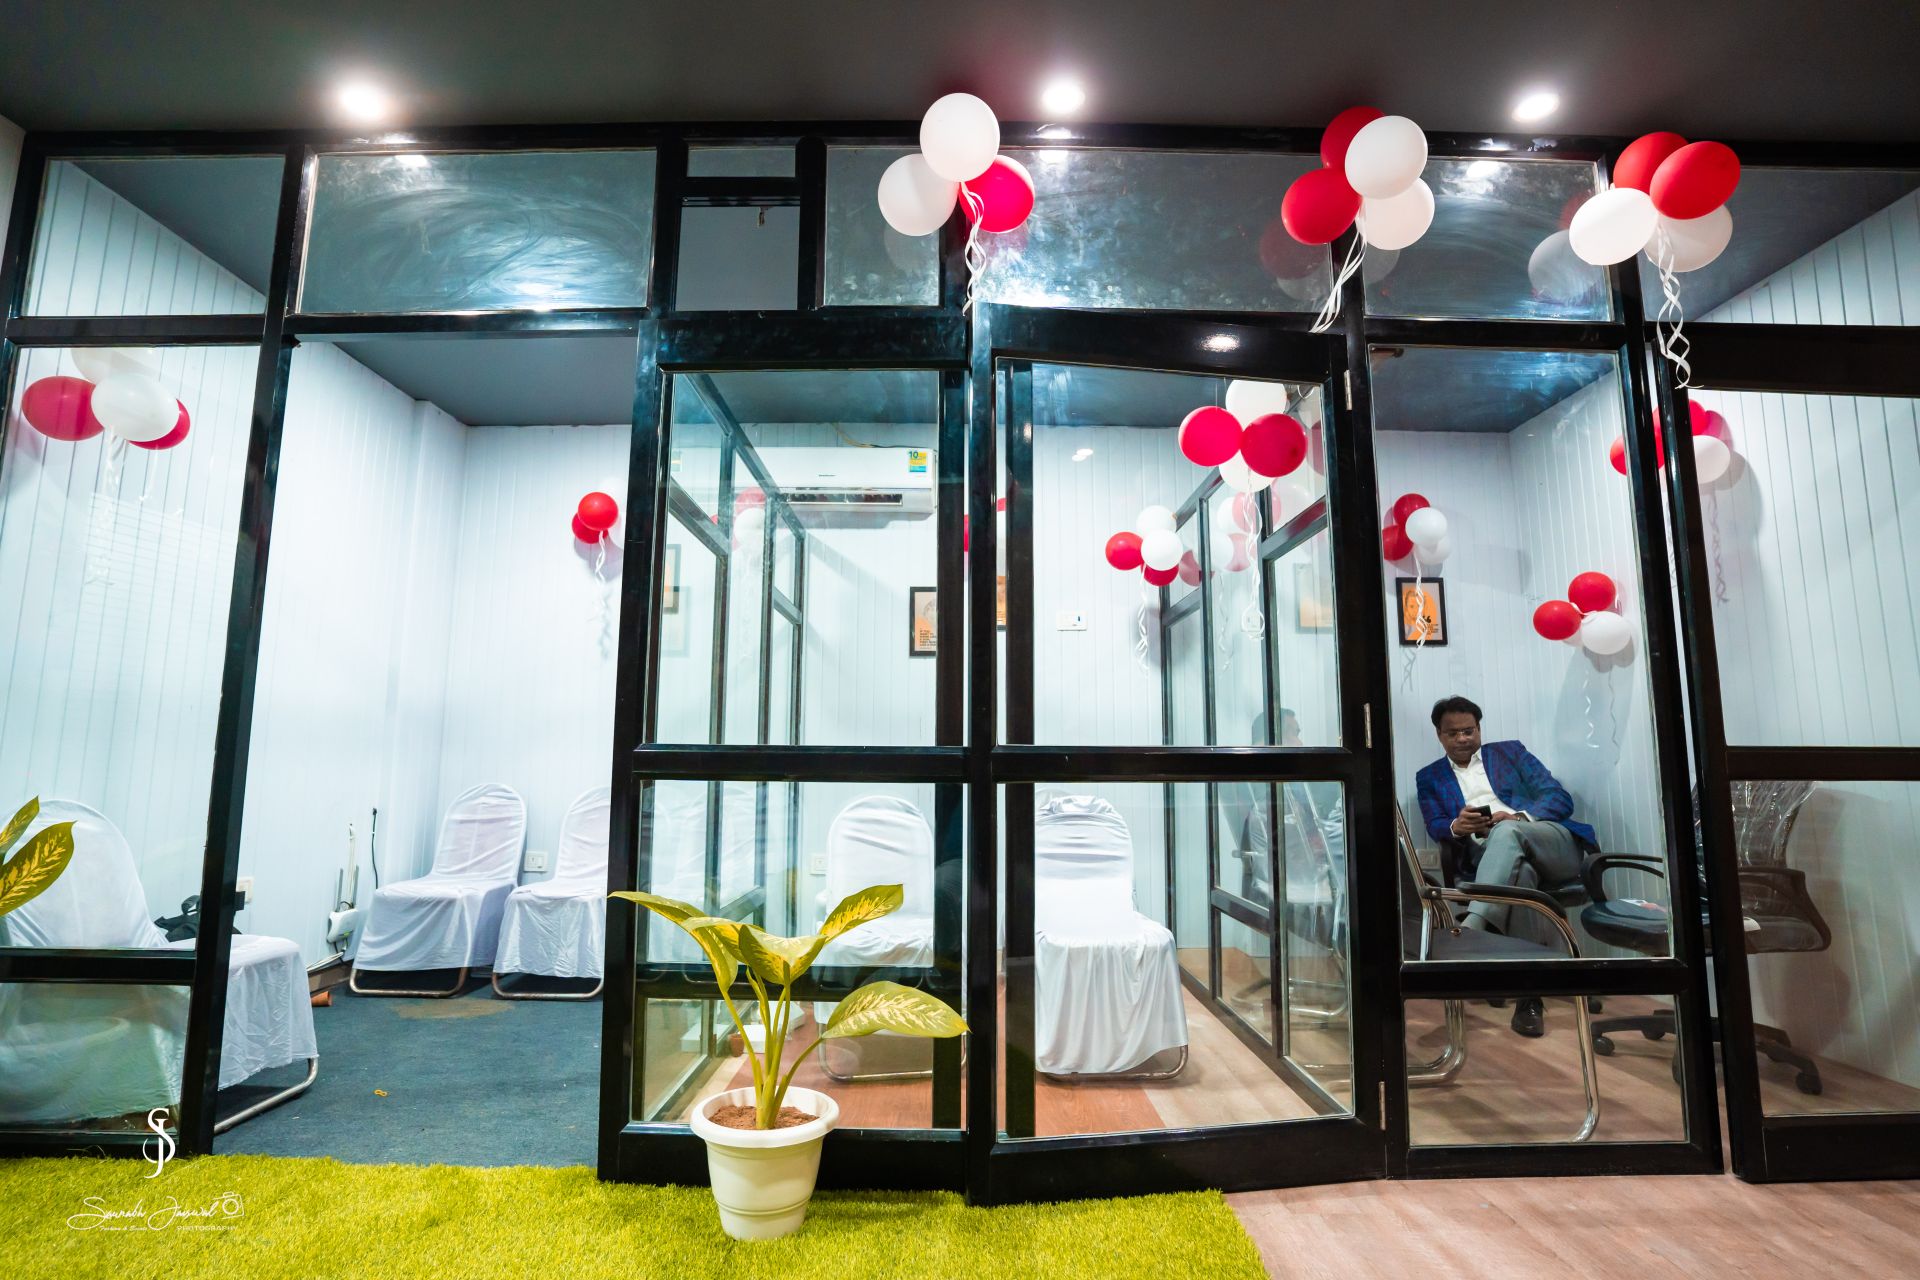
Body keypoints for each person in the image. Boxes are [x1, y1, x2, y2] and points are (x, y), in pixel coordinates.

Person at [1415, 695, 1597, 1038]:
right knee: (1522, 876)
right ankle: (1529, 998)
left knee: (1507, 831)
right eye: (1453, 733)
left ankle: (1472, 928)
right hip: (1491, 856)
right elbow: (1435, 823)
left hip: (1549, 842)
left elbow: (1559, 798)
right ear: (1439, 735)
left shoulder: (1510, 752)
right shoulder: (1429, 777)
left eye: (1469, 731)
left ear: (1479, 729)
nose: (1462, 738)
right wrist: (1457, 826)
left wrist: (1517, 817)